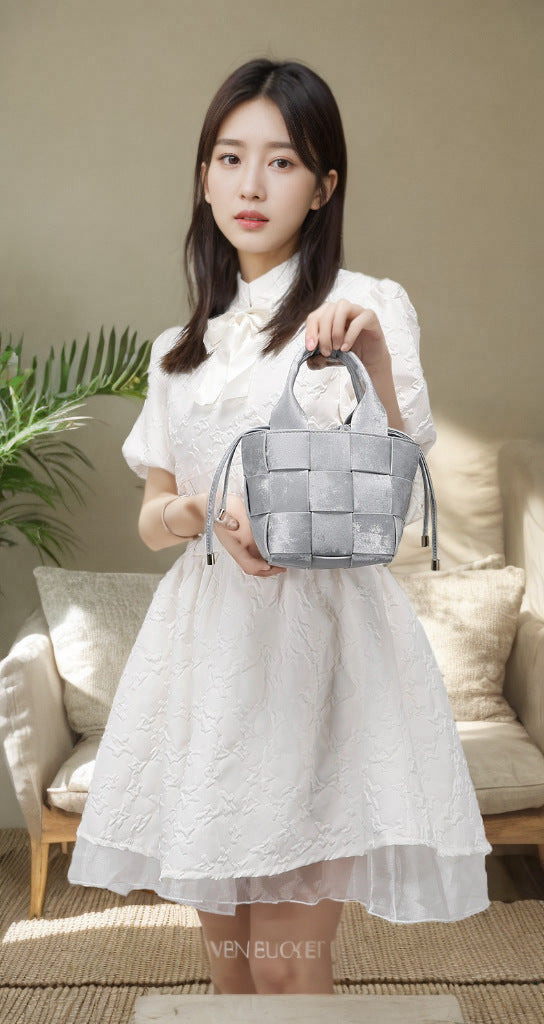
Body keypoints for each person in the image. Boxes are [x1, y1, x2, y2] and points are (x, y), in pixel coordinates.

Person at [67, 57, 492, 996]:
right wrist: (197, 512)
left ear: (324, 185)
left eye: (283, 161)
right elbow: (153, 519)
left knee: (286, 969)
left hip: (318, 648)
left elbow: (395, 486)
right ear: (204, 177)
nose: (252, 185)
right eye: (230, 158)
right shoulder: (177, 352)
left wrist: (373, 361)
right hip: (207, 652)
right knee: (229, 973)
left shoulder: (363, 306)